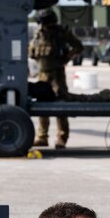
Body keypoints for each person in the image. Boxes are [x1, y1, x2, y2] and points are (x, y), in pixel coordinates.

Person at [29, 9, 83, 148]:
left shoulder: (61, 32)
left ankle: (62, 137)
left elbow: (78, 46)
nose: (44, 26)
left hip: (57, 73)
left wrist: (67, 57)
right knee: (42, 103)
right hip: (43, 73)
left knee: (61, 104)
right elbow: (33, 50)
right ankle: (42, 137)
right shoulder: (39, 33)